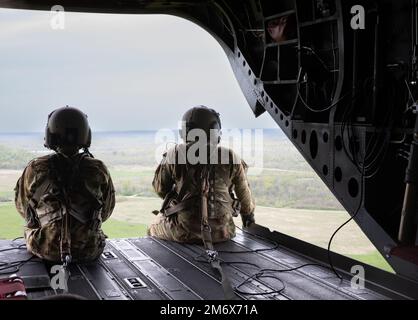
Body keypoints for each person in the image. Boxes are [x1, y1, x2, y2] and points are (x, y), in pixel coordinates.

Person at [14, 106, 115, 263]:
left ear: (50, 135)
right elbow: (106, 211)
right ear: (85, 135)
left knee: (29, 231)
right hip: (89, 249)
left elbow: (24, 209)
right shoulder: (98, 168)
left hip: (45, 248)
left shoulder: (35, 168)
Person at [148, 105, 255, 244]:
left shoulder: (175, 154)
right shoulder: (230, 156)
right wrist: (248, 217)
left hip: (184, 232)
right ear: (215, 131)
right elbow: (245, 202)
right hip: (224, 233)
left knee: (152, 227)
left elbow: (161, 189)